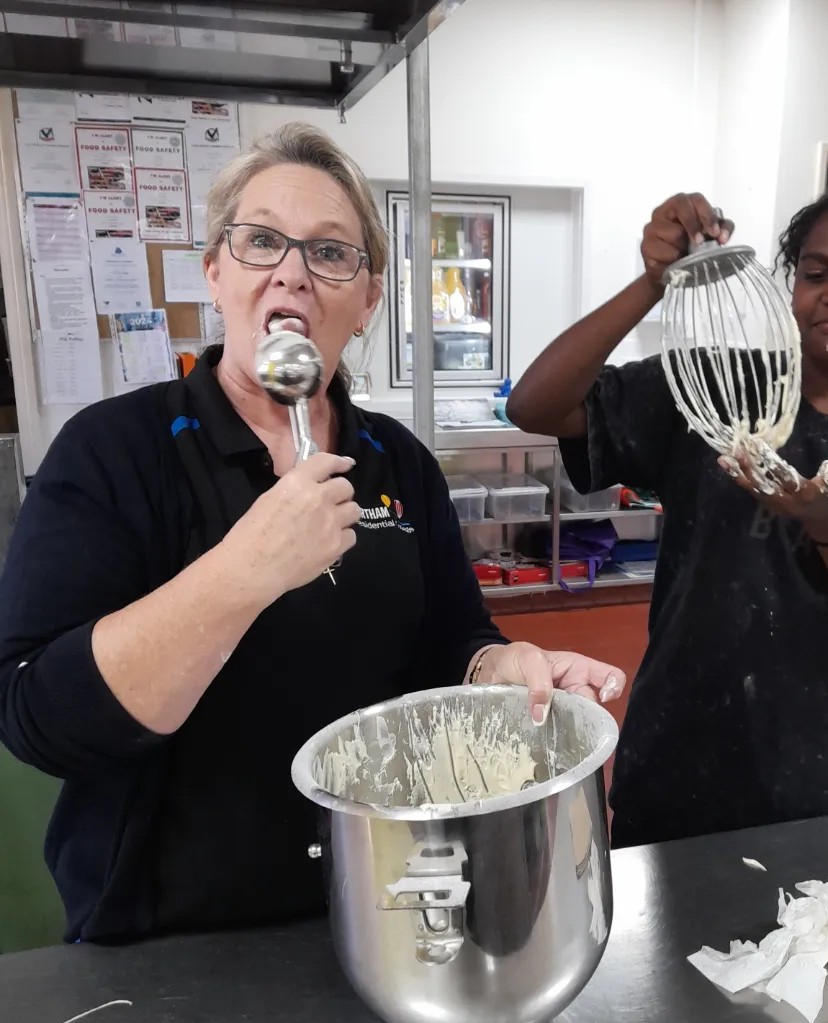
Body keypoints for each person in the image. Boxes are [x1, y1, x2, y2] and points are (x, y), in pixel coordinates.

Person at [0, 123, 625, 943]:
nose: (292, 270)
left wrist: (498, 666)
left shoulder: (395, 461)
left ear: (366, 304)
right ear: (215, 273)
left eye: (330, 253)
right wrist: (245, 570)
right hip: (170, 938)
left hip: (384, 904)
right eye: (262, 242)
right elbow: (38, 713)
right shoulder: (114, 451)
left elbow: (451, 638)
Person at [507, 177, 828, 850]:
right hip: (679, 771)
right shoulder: (718, 388)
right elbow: (534, 406)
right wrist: (655, 282)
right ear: (790, 286)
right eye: (816, 272)